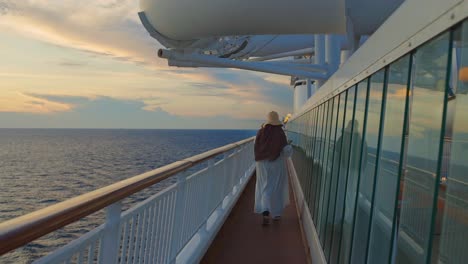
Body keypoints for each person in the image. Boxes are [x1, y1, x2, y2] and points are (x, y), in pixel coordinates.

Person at [254, 111, 293, 225]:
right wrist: (289, 146)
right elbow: (286, 151)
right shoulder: (279, 132)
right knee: (276, 186)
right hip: (276, 163)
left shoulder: (260, 132)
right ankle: (276, 213)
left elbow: (256, 146)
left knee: (264, 185)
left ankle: (265, 210)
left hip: (261, 163)